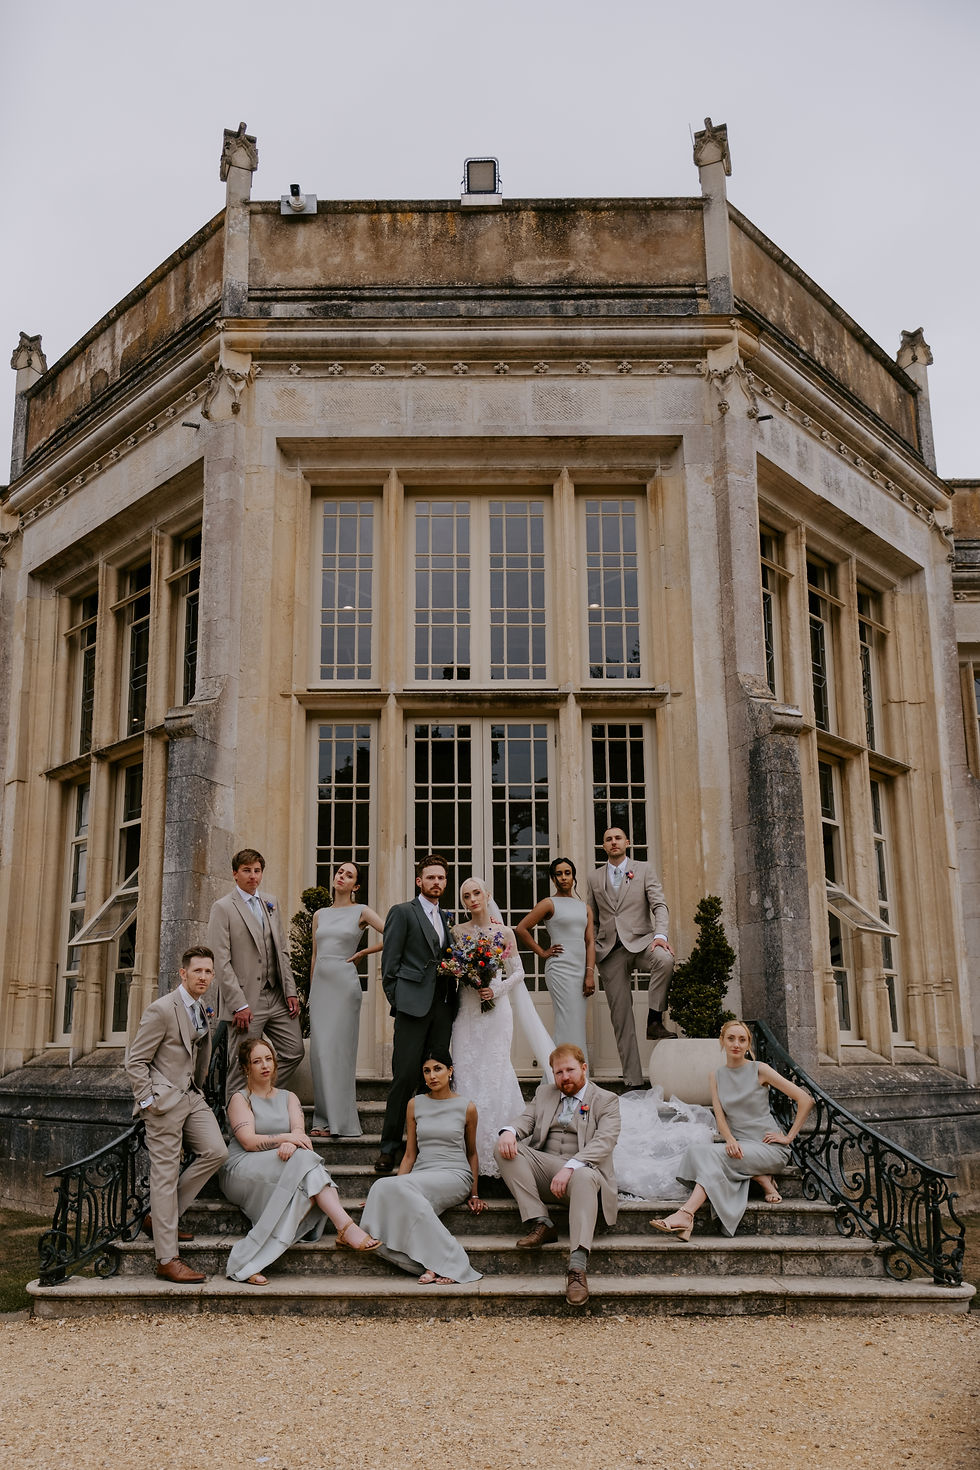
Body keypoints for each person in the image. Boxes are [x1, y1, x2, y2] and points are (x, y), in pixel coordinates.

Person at [219, 1036, 379, 1284]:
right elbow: (249, 1142)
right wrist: (285, 1138)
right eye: (257, 1061)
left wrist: (290, 1141)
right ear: (245, 1068)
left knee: (305, 1162)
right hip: (243, 1167)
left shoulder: (289, 1097)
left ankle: (251, 1260)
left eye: (269, 1059)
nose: (265, 1066)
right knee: (305, 1161)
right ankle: (346, 1227)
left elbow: (301, 1136)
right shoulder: (241, 1099)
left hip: (283, 1161)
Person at [651, 1018, 814, 1239]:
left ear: (748, 1045)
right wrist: (729, 1139)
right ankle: (760, 1177)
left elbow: (805, 1099)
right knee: (696, 1151)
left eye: (742, 1040)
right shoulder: (716, 1076)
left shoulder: (760, 1070)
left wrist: (788, 1138)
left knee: (712, 1157)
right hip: (739, 1147)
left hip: (768, 1147)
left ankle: (686, 1214)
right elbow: (720, 1118)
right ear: (722, 1041)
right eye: (731, 1039)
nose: (736, 1044)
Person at [124, 946, 228, 1283]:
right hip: (164, 1101)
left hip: (191, 1095)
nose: (203, 977)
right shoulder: (161, 1009)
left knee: (216, 1151)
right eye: (197, 971)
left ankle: (161, 1217)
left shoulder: (200, 1008)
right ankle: (167, 1259)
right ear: (183, 974)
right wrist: (148, 1099)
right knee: (164, 1175)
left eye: (208, 972)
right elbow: (136, 1060)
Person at [494, 1043, 621, 1306]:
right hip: (545, 1172)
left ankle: (577, 1268)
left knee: (584, 1176)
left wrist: (572, 1166)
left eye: (570, 1070)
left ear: (584, 1068)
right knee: (504, 1148)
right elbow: (525, 1121)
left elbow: (604, 1142)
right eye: (558, 1072)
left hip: (584, 1175)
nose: (565, 1077)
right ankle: (541, 1221)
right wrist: (509, 1131)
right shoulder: (544, 1093)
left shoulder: (606, 1100)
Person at [450, 876, 554, 1176]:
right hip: (468, 1009)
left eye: (476, 893)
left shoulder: (504, 932)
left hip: (496, 1010)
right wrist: (467, 977)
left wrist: (495, 990)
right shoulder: (457, 932)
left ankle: (502, 1151)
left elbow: (518, 972)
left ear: (487, 894)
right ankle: (472, 1154)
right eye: (466, 896)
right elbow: (456, 967)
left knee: (495, 1071)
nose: (472, 899)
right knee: (467, 1069)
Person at [360, 1048, 484, 1285]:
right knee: (382, 1187)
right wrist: (389, 1192)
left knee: (392, 1188)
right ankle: (432, 1264)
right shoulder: (415, 1104)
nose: (431, 1076)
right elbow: (409, 1155)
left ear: (450, 1071)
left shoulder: (467, 1107)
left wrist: (475, 1192)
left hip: (454, 1175)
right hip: (421, 1175)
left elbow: (472, 1152)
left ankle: (454, 1262)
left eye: (437, 1069)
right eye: (426, 1071)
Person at [376, 853, 456, 1174]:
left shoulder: (446, 917)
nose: (436, 882)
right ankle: (388, 1147)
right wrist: (399, 999)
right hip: (412, 1006)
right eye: (431, 877)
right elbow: (389, 965)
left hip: (443, 1005)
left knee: (434, 1079)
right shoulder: (402, 912)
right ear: (419, 881)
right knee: (406, 1076)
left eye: (441, 878)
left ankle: (423, 1148)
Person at [208, 847, 304, 1102]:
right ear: (235, 874)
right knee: (240, 1067)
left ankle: (259, 1098)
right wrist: (238, 1003)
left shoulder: (270, 902)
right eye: (247, 871)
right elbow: (221, 961)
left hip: (277, 996)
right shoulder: (223, 908)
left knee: (294, 1050)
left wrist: (291, 990)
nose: (253, 876)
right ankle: (236, 1128)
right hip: (246, 1001)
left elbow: (282, 950)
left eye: (257, 871)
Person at [587, 826, 675, 1087]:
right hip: (609, 951)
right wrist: (589, 962)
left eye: (617, 838)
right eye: (608, 839)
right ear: (603, 846)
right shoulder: (594, 878)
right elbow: (591, 920)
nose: (613, 842)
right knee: (621, 1017)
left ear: (627, 842)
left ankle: (655, 1018)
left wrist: (661, 936)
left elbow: (659, 905)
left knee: (665, 960)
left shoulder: (644, 869)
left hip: (641, 942)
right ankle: (633, 1082)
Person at [308, 861, 384, 1140]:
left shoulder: (361, 911)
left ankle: (340, 1122)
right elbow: (315, 956)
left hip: (344, 986)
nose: (342, 876)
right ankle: (322, 1118)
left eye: (349, 875)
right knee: (319, 1053)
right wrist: (310, 992)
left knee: (338, 1053)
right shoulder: (319, 914)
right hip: (321, 989)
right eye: (340, 872)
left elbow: (393, 933)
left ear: (356, 885)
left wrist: (365, 953)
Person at [516, 857, 595, 1059]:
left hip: (580, 972)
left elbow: (590, 942)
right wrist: (542, 952)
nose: (563, 877)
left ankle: (575, 1075)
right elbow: (521, 929)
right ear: (553, 878)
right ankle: (562, 1074)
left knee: (576, 1022)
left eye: (567, 872)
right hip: (559, 970)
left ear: (573, 875)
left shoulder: (584, 908)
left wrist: (589, 974)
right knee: (566, 1022)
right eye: (558, 874)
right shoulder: (548, 903)